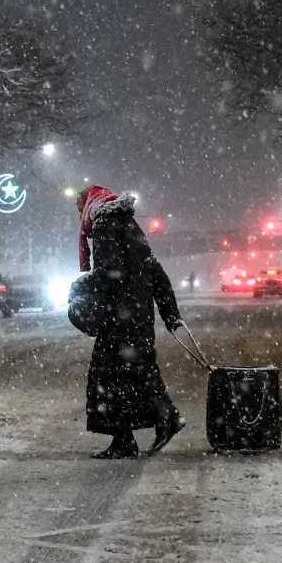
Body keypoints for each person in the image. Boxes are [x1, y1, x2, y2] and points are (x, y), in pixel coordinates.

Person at [69, 185, 186, 459]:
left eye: (78, 210)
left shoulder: (104, 225)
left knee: (108, 378)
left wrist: (81, 288)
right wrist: (170, 313)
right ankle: (148, 427)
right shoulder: (127, 223)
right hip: (138, 315)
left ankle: (149, 426)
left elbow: (110, 272)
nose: (79, 216)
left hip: (119, 316)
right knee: (136, 373)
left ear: (87, 205)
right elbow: (154, 269)